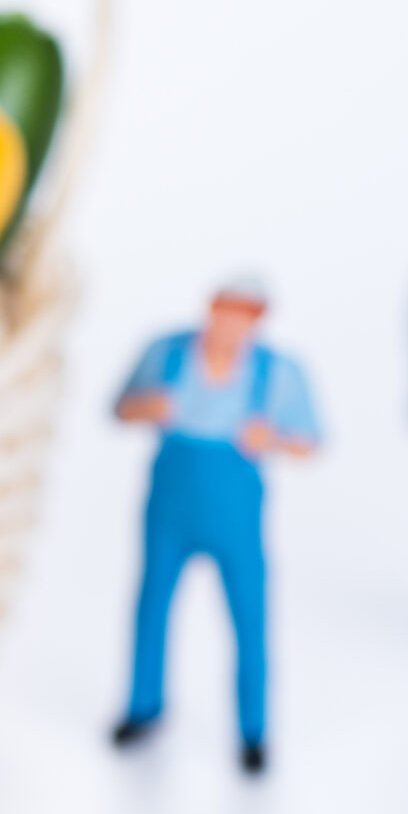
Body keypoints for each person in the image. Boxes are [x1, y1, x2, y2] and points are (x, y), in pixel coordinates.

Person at [109, 276, 321, 774]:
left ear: (257, 323)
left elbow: (310, 441)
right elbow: (119, 408)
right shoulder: (165, 354)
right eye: (223, 312)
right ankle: (144, 707)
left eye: (242, 317)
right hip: (170, 507)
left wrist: (271, 438)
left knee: (250, 619)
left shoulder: (278, 374)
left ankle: (253, 732)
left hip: (236, 515)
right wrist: (149, 407)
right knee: (151, 606)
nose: (228, 326)